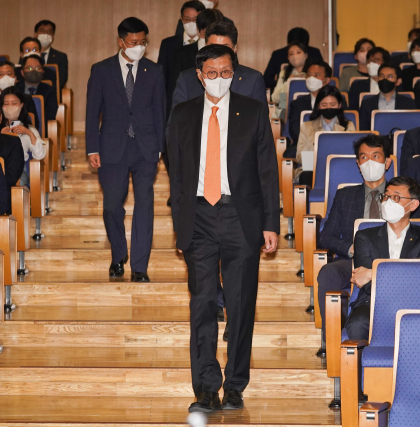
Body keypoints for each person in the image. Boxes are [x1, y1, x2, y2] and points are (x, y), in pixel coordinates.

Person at [168, 44, 279, 412]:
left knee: (240, 304)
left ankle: (234, 386)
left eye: (226, 72)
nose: (219, 79)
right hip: (198, 217)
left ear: (235, 72)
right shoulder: (182, 114)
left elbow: (267, 171)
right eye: (212, 73)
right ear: (200, 76)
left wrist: (270, 223)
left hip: (240, 217)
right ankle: (205, 388)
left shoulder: (252, 111)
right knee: (201, 305)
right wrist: (180, 226)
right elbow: (176, 177)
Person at [86, 17, 166, 283]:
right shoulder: (101, 70)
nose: (139, 47)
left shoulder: (154, 71)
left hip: (145, 148)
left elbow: (159, 113)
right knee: (112, 206)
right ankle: (118, 254)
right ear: (121, 42)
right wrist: (91, 148)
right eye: (133, 42)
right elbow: (91, 113)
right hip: (111, 148)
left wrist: (159, 149)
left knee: (145, 205)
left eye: (143, 42)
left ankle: (140, 266)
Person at [344, 176, 420, 340]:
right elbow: (363, 281)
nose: (388, 201)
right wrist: (373, 276)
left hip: (414, 303)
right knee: (357, 324)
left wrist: (374, 273)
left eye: (396, 197)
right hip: (373, 303)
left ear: (414, 204)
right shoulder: (364, 236)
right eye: (386, 196)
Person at [316, 134, 393, 332]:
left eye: (375, 156)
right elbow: (325, 236)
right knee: (328, 272)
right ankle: (331, 339)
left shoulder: (400, 194)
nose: (369, 162)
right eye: (364, 157)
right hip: (352, 262)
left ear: (388, 162)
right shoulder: (345, 195)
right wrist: (351, 249)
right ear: (358, 164)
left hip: (392, 260)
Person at [170, 21, 267, 114]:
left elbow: (261, 124)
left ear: (235, 49)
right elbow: (175, 125)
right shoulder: (187, 79)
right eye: (213, 47)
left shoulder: (253, 79)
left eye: (224, 48)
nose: (218, 54)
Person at [294, 86, 356, 184]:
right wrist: (319, 160)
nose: (328, 108)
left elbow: (352, 153)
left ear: (339, 105)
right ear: (318, 105)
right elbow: (299, 156)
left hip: (339, 168)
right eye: (324, 104)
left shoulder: (349, 126)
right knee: (307, 176)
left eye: (332, 104)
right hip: (313, 169)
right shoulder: (307, 126)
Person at [168, 8, 224, 110]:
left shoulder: (226, 53)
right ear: (198, 30)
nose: (210, 36)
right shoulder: (181, 54)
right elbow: (173, 90)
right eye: (207, 31)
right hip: (190, 111)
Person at [287, 59, 340, 146]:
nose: (311, 78)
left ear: (327, 81)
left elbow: (343, 125)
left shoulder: (338, 101)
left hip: (334, 145)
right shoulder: (297, 104)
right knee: (302, 157)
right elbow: (295, 131)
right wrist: (313, 145)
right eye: (309, 74)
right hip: (305, 146)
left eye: (317, 75)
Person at [0, 86, 46, 186]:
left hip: (18, 171)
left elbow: (40, 155)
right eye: (6, 104)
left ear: (21, 105)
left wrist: (29, 133)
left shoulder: (29, 129)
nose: (10, 107)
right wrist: (0, 138)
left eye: (14, 103)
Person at [158, 1, 206, 89]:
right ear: (182, 19)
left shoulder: (208, 43)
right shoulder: (168, 44)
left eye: (195, 19)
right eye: (187, 19)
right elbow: (162, 77)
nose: (191, 23)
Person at [358, 63, 417, 131]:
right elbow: (363, 130)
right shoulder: (367, 103)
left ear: (398, 81)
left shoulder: (408, 103)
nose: (384, 79)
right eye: (381, 76)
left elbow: (411, 129)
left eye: (390, 77)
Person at [15, 54, 58, 123]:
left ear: (42, 72)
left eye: (38, 68)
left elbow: (50, 114)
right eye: (30, 68)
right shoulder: (15, 89)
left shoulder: (49, 90)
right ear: (22, 72)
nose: (34, 71)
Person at [348, 47, 390, 111]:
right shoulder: (357, 86)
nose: (371, 63)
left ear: (385, 63)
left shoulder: (393, 85)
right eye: (369, 61)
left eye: (376, 60)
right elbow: (353, 111)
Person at [271, 41, 308, 111]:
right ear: (288, 57)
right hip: (287, 108)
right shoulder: (284, 73)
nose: (295, 56)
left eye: (298, 52)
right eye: (291, 54)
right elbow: (275, 98)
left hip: (307, 108)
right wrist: (289, 82)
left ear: (306, 55)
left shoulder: (312, 72)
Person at [34, 19, 69, 89]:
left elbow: (61, 81)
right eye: (42, 31)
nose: (46, 34)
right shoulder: (27, 54)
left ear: (53, 37)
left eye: (49, 32)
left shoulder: (61, 57)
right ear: (35, 35)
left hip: (51, 94)